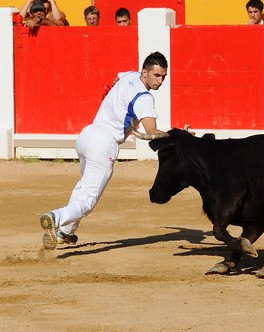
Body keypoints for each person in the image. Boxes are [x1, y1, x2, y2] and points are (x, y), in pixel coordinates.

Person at [39, 51, 169, 250]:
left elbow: (116, 78)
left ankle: (65, 232)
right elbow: (150, 131)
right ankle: (57, 217)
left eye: (163, 77)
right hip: (103, 145)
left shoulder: (129, 76)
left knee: (84, 187)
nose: (160, 81)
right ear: (145, 73)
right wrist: (178, 136)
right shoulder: (144, 98)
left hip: (87, 135)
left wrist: (114, 97)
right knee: (88, 200)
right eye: (156, 76)